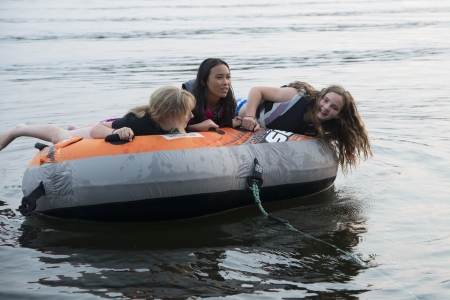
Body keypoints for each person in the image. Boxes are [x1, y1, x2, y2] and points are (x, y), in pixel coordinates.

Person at [0, 86, 195, 151]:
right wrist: (115, 132)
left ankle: (75, 127)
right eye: (188, 112)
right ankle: (20, 129)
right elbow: (96, 131)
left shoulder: (169, 123)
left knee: (78, 129)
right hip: (97, 131)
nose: (192, 116)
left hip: (108, 122)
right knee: (59, 136)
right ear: (171, 113)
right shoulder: (139, 123)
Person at [237, 81, 372, 174]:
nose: (326, 107)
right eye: (326, 100)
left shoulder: (323, 128)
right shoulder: (295, 96)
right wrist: (250, 117)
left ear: (338, 115)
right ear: (321, 96)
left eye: (334, 108)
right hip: (237, 109)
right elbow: (257, 90)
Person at [182, 58, 242, 131]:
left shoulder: (229, 102)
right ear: (203, 81)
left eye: (228, 77)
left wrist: (232, 122)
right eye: (219, 77)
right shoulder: (186, 101)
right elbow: (171, 127)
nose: (226, 82)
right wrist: (195, 127)